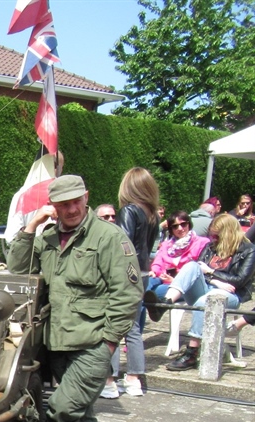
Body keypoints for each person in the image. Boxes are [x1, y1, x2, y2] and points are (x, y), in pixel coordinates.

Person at [7, 175, 141, 422]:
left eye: (75, 202)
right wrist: (31, 227)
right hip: (57, 342)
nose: (70, 210)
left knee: (62, 409)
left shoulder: (109, 237)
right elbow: (17, 269)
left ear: (86, 197)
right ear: (53, 207)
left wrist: (109, 343)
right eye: (62, 204)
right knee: (81, 412)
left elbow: (127, 295)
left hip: (92, 343)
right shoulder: (49, 237)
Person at [146, 214, 255, 371]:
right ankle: (165, 303)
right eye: (212, 235)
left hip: (231, 295)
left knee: (205, 301)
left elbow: (239, 280)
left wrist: (211, 271)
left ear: (228, 233)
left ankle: (192, 352)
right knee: (191, 266)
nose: (213, 238)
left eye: (217, 235)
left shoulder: (248, 250)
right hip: (209, 286)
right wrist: (215, 280)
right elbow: (199, 269)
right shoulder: (211, 247)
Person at [107, 167, 159, 398]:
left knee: (113, 325)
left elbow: (123, 245)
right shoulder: (152, 214)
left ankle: (109, 380)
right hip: (144, 273)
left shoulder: (128, 211)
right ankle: (134, 379)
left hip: (127, 274)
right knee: (134, 328)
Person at [145, 210, 210, 299]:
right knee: (146, 283)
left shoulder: (202, 242)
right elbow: (158, 262)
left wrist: (174, 280)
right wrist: (154, 271)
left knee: (153, 292)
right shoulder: (166, 245)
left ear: (189, 224)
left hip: (184, 284)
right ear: (171, 229)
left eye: (183, 224)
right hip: (163, 278)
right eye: (175, 226)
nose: (179, 228)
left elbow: (198, 269)